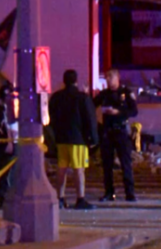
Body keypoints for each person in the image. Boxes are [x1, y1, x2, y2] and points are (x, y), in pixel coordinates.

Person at [49, 70, 99, 210]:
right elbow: (90, 118)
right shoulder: (82, 97)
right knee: (79, 169)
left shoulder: (56, 97)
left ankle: (60, 198)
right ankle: (80, 198)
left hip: (61, 138)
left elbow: (51, 116)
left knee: (61, 168)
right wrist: (93, 138)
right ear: (76, 81)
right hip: (78, 139)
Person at [94, 69, 138, 202]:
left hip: (121, 131)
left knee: (126, 163)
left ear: (117, 77)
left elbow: (133, 111)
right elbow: (91, 104)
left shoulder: (125, 93)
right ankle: (109, 192)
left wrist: (118, 112)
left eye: (110, 77)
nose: (108, 79)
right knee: (107, 164)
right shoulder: (104, 94)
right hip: (107, 132)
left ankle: (129, 193)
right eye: (107, 77)